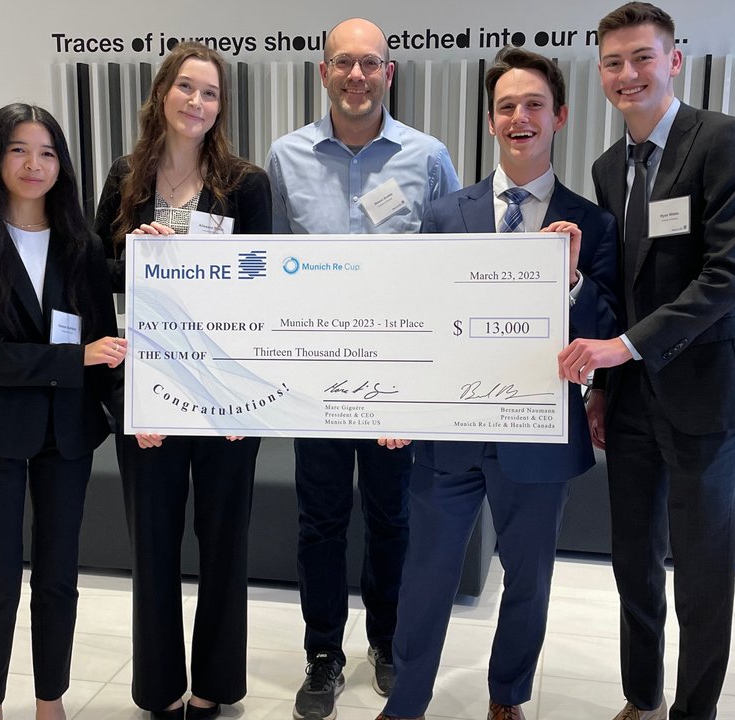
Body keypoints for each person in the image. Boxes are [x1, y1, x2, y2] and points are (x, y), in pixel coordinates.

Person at [375, 46, 619, 720]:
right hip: (449, 435)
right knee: (424, 579)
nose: (520, 117)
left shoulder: (591, 222)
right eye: (507, 106)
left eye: (534, 105)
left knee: (529, 581)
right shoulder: (448, 213)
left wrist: (570, 279)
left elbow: (609, 324)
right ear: (490, 122)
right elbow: (419, 318)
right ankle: (407, 703)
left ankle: (507, 696)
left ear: (559, 116)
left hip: (538, 435)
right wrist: (402, 401)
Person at [560, 4, 735, 719]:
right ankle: (641, 697)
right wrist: (604, 384)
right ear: (600, 74)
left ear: (673, 61)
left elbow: (728, 275)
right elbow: (622, 285)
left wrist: (624, 347)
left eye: (642, 58)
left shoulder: (723, 141)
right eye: (614, 62)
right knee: (634, 564)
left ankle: (693, 712)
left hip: (708, 393)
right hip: (630, 400)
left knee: (703, 571)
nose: (629, 74)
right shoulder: (605, 166)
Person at [265, 17, 461, 720]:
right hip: (315, 382)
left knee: (391, 516)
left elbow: (451, 265)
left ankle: (386, 641)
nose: (356, 76)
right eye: (343, 63)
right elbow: (264, 269)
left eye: (369, 64)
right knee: (319, 519)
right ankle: (323, 654)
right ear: (323, 73)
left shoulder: (428, 156)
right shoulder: (284, 157)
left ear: (389, 72)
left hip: (396, 382)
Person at [92, 41, 271, 720]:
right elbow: (94, 275)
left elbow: (261, 290)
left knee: (225, 543)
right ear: (162, 92)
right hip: (150, 390)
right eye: (187, 88)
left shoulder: (246, 183)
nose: (198, 103)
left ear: (222, 106)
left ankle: (214, 687)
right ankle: (159, 688)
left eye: (211, 93)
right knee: (154, 545)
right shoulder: (125, 179)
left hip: (226, 391)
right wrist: (137, 256)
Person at [0, 103, 123, 720]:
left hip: (67, 432)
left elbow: (107, 341)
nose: (34, 164)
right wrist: (73, 361)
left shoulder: (82, 246)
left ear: (62, 166)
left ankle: (51, 701)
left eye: (47, 152)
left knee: (59, 577)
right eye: (19, 149)